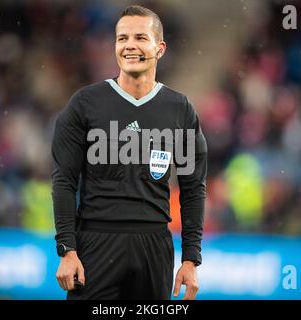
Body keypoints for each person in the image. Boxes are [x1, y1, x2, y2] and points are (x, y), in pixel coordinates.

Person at [52, 5, 207, 300]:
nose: (129, 46)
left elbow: (193, 188)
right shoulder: (84, 104)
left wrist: (190, 259)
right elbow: (63, 181)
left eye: (140, 37)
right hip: (95, 243)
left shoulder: (180, 109)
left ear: (160, 48)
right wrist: (67, 249)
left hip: (154, 245)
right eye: (122, 39)